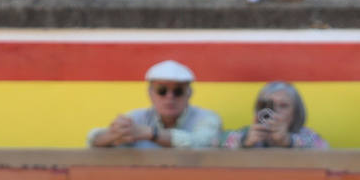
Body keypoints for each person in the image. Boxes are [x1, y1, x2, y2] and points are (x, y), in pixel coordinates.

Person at [86, 60, 222, 149]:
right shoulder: (136, 118)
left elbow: (202, 144)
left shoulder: (207, 118)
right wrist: (113, 134)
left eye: (178, 91)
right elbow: (92, 139)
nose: (170, 97)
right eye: (162, 90)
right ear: (150, 93)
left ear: (189, 93)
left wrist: (151, 134)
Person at [222, 81, 328, 150]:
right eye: (269, 105)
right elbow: (217, 149)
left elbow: (325, 152)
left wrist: (289, 141)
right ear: (259, 109)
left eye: (283, 106)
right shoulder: (246, 133)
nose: (275, 111)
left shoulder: (307, 135)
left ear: (295, 112)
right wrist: (244, 142)